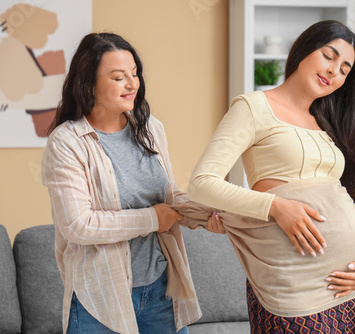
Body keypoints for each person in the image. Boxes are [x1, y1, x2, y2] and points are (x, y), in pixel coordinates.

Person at [188, 20, 355, 333]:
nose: (334, 71)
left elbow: (354, 199)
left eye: (345, 69)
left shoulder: (327, 122)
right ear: (303, 50)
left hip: (347, 289)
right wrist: (277, 206)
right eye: (329, 56)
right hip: (290, 286)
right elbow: (201, 183)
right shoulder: (253, 107)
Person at [42, 32, 225, 334]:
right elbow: (77, 225)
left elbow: (168, 195)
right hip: (101, 296)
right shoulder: (67, 142)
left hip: (160, 289)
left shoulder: (150, 127)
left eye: (135, 73)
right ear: (88, 83)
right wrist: (152, 218)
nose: (132, 84)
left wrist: (207, 216)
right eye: (118, 78)